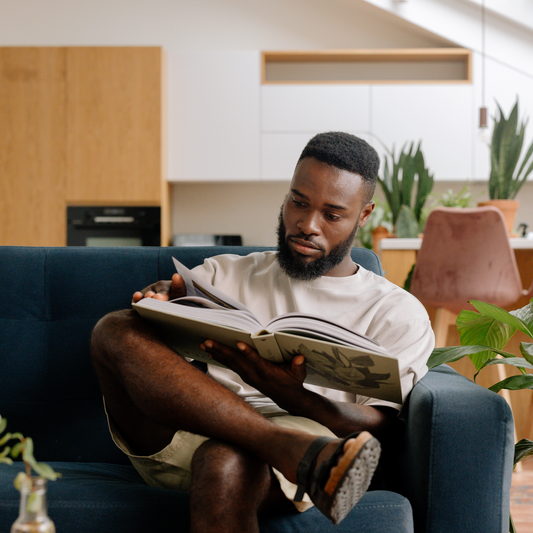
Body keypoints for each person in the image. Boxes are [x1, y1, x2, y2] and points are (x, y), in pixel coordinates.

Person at [91, 131, 434, 532]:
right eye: (298, 202)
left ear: (364, 215)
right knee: (114, 328)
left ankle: (286, 445)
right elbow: (150, 358)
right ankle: (285, 447)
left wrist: (293, 396)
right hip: (188, 434)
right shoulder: (223, 273)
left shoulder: (395, 312)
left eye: (332, 214)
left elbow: (383, 429)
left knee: (225, 460)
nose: (307, 225)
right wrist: (162, 301)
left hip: (296, 446)